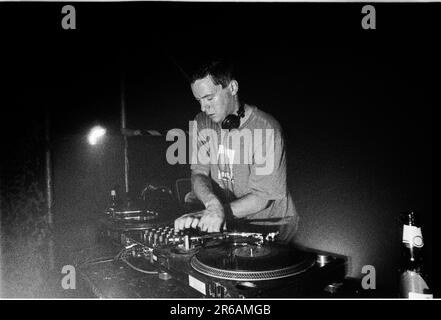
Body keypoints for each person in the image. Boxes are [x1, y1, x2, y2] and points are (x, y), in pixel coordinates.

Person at [174, 60, 298, 242]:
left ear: (232, 88)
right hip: (231, 219)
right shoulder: (202, 122)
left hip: (272, 225)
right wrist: (211, 204)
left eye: (209, 98)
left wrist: (215, 212)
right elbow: (199, 173)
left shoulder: (266, 129)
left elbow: (261, 198)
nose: (203, 108)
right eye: (199, 100)